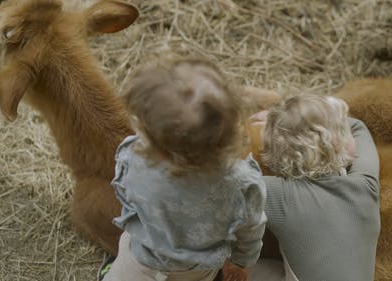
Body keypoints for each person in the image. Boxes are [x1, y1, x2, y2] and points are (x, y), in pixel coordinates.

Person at [100, 59, 267, 281]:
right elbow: (252, 228)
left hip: (142, 260)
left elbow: (127, 201)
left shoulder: (133, 157)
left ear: (158, 147)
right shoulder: (242, 181)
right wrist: (241, 262)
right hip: (198, 269)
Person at [249, 94, 380, 281]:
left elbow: (227, 182)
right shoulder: (366, 186)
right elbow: (359, 127)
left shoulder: (278, 194)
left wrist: (280, 122)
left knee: (252, 270)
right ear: (338, 145)